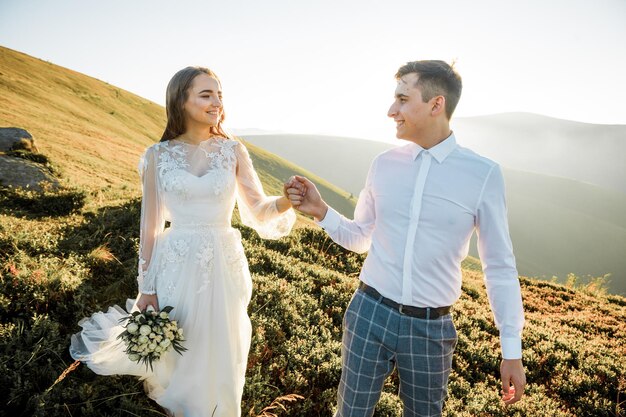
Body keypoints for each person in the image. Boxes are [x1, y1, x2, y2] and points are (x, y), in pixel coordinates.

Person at [285, 60, 526, 416]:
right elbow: (361, 237)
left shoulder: (484, 174)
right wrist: (321, 211)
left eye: (402, 98)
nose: (390, 110)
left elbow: (499, 268)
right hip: (369, 311)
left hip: (430, 330)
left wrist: (511, 351)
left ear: (436, 104)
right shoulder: (383, 164)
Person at [70, 66, 297, 417]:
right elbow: (150, 225)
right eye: (206, 95)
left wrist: (287, 200)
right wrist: (146, 286)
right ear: (181, 100)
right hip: (175, 260)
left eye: (219, 95)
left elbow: (261, 210)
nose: (216, 102)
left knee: (222, 341)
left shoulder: (233, 151)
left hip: (222, 260)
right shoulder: (157, 156)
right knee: (180, 341)